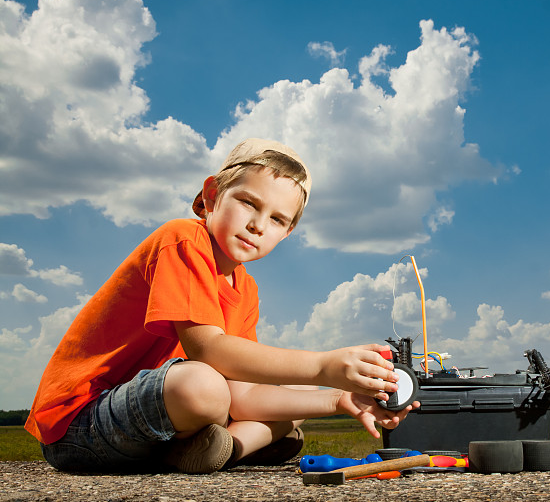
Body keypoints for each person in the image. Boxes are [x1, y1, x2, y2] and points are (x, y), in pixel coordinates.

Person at [25, 138, 416, 474]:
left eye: (277, 219)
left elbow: (242, 394)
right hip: (80, 425)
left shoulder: (246, 290)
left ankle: (222, 450)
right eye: (248, 202)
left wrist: (338, 398)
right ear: (212, 195)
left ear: (288, 232)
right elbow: (208, 350)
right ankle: (239, 444)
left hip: (154, 430)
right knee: (203, 385)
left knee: (290, 401)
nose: (258, 225)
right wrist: (323, 366)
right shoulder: (182, 239)